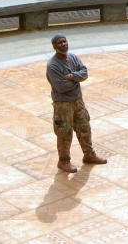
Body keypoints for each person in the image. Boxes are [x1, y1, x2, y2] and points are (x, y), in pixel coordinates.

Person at [46, 34, 107, 172]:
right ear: (54, 47)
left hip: (78, 101)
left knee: (84, 127)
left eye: (64, 41)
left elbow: (84, 72)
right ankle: (63, 161)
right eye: (59, 43)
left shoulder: (73, 57)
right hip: (63, 105)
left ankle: (89, 154)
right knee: (64, 133)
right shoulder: (52, 65)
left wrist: (72, 77)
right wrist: (77, 81)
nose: (63, 44)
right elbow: (61, 87)